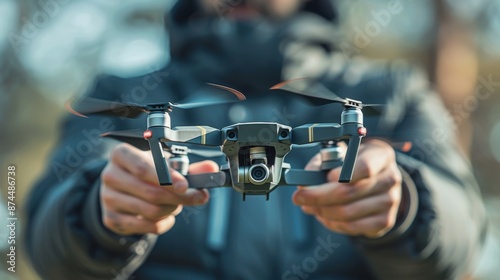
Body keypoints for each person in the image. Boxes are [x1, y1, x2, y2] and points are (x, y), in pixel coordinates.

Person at [26, 0, 486, 279]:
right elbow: (42, 242)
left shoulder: (392, 94)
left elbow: (464, 234)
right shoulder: (118, 96)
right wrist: (97, 214)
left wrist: (404, 207)